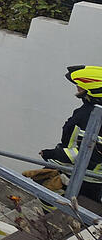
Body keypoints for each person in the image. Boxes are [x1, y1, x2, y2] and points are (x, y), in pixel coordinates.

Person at [39, 65, 102, 200]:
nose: (77, 88)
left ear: (94, 90)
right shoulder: (90, 110)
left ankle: (46, 220)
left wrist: (52, 154)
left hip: (85, 178)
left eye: (80, 86)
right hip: (86, 175)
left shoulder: (89, 116)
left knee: (46, 195)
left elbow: (87, 153)